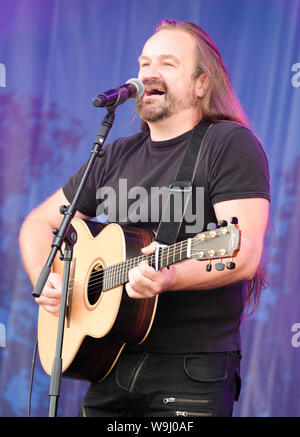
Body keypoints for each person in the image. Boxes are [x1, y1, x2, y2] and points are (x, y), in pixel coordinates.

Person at [19, 19, 270, 417]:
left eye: (168, 64)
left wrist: (172, 276)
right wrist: (45, 277)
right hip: (108, 362)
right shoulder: (115, 153)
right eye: (144, 63)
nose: (149, 72)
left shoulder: (229, 145)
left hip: (189, 368)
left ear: (201, 84)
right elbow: (39, 224)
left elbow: (243, 251)